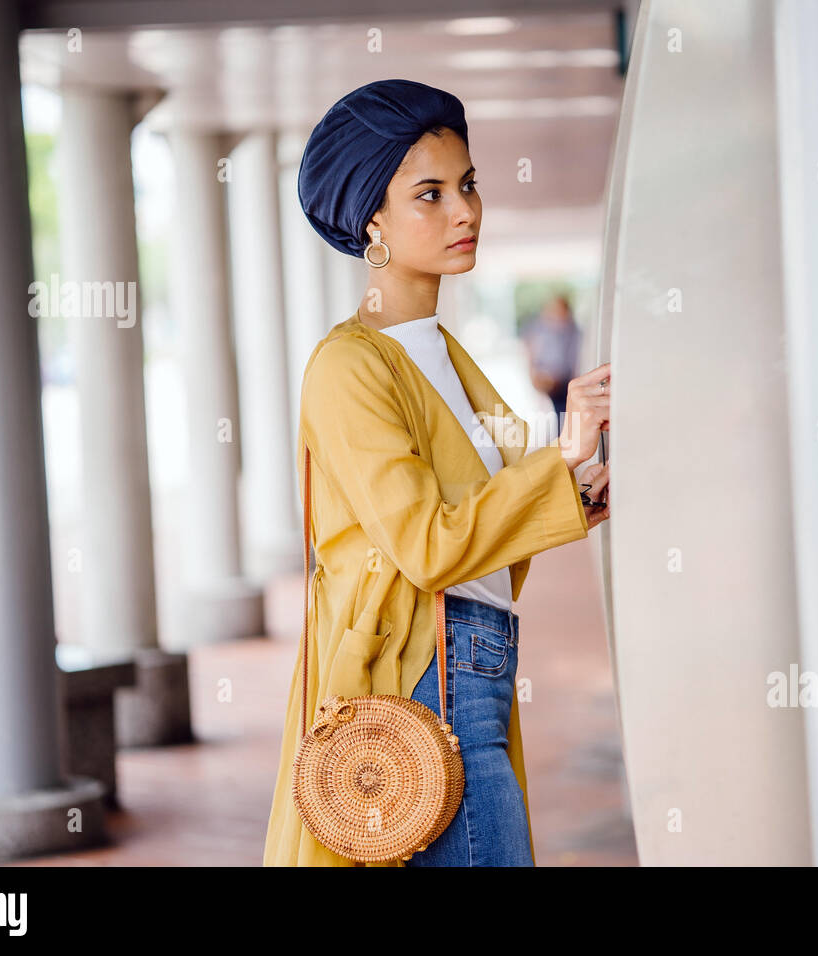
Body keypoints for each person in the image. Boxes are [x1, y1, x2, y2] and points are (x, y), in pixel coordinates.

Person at [264, 78, 612, 867]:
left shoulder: (444, 356)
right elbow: (426, 544)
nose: (465, 210)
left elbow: (484, 522)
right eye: (430, 194)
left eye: (468, 184)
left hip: (472, 669)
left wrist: (579, 493)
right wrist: (558, 454)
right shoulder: (350, 366)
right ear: (370, 220)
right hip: (421, 677)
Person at [522, 294, 583, 433]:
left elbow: (574, 360)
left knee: (563, 416)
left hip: (565, 383)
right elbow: (531, 352)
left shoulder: (574, 332)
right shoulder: (540, 330)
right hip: (547, 383)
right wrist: (534, 374)